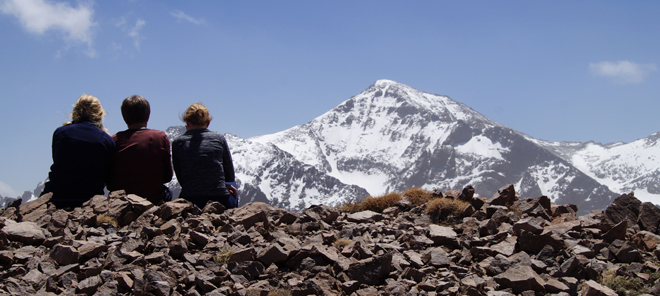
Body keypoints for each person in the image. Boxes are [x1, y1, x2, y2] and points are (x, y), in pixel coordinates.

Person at [41, 94, 115, 209]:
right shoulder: (106, 140)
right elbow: (106, 174)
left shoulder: (60, 133)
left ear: (76, 111)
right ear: (100, 114)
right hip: (88, 201)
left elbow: (57, 160)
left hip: (56, 198)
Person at [107, 95, 173, 204]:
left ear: (124, 117)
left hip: (121, 203)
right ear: (148, 115)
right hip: (153, 200)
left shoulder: (115, 140)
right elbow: (167, 177)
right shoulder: (160, 137)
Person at [172, 103, 237, 209]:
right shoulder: (219, 138)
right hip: (221, 202)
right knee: (233, 184)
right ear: (208, 123)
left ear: (187, 122)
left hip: (190, 201)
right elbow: (229, 175)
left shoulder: (177, 143)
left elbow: (181, 178)